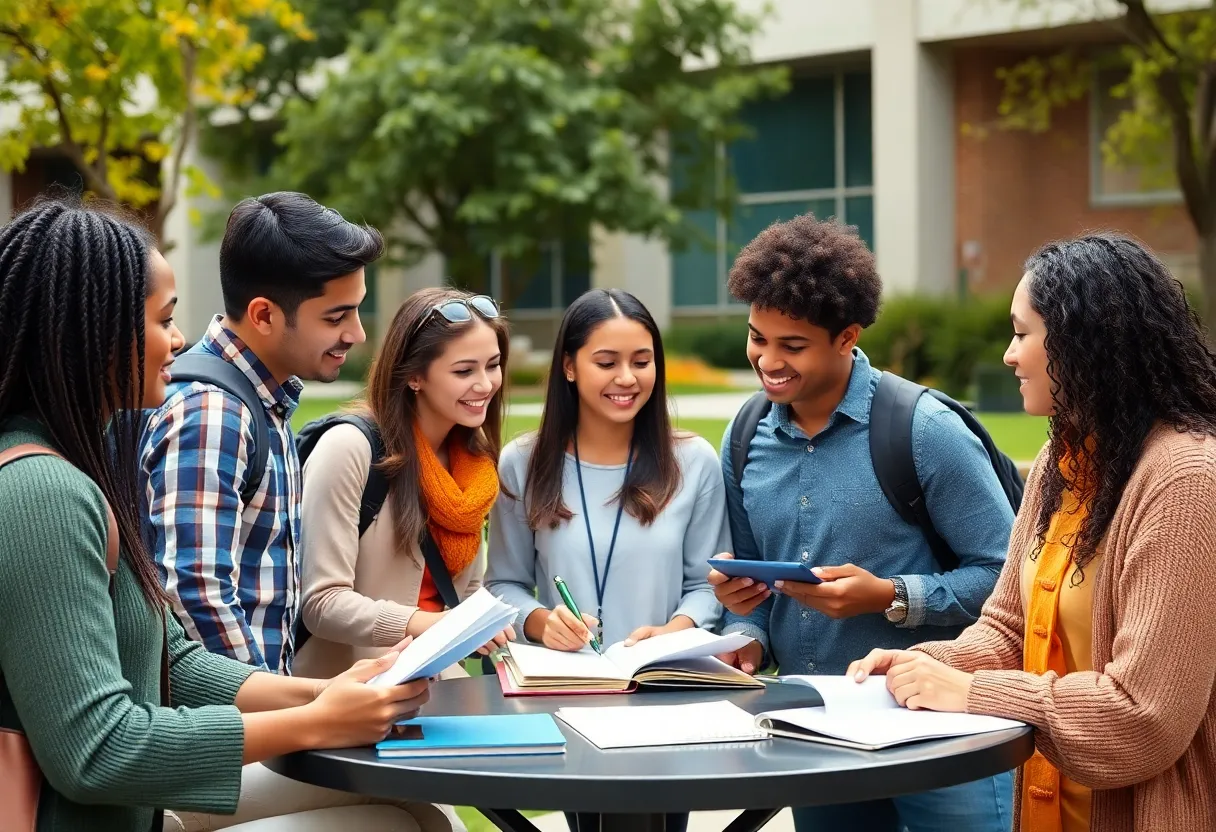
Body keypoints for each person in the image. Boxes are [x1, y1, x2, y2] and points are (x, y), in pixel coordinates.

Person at [0, 199, 433, 832]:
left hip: (152, 798)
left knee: (415, 809)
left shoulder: (81, 463)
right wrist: (314, 722)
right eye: (163, 320)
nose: (179, 340)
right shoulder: (41, 492)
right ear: (92, 334)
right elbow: (97, 750)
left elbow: (172, 660)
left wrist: (332, 696)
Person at [849, 234, 1216, 832]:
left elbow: (1144, 717)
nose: (1008, 355)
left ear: (1081, 343)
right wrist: (924, 665)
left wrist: (971, 693)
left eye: (1022, 334)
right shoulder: (1060, 460)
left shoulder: (1185, 480)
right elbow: (1010, 629)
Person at [708, 214, 1014, 832]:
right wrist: (746, 632)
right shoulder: (744, 437)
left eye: (792, 346)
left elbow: (1008, 577)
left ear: (847, 337)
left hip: (941, 727)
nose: (768, 360)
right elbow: (757, 595)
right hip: (816, 726)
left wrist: (889, 596)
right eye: (757, 338)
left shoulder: (925, 430)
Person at [485, 288, 729, 832]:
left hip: (665, 697)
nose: (627, 378)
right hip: (563, 697)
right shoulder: (522, 462)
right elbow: (502, 584)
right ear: (569, 367)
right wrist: (541, 621)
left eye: (642, 361)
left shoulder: (694, 462)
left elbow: (707, 584)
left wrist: (674, 632)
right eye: (606, 362)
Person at [140, 191, 380, 674]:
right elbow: (196, 596)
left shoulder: (263, 397)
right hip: (234, 715)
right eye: (336, 316)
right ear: (264, 315)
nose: (356, 334)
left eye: (357, 310)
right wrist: (280, 707)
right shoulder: (214, 411)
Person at [294, 288, 514, 681]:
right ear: (414, 376)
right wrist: (435, 625)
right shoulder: (350, 449)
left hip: (433, 682)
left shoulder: (474, 464)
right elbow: (322, 603)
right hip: (349, 688)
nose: (485, 384)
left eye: (493, 365)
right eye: (464, 371)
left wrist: (485, 624)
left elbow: (465, 594)